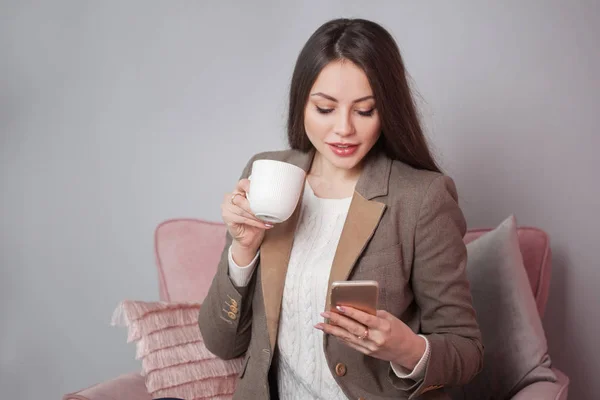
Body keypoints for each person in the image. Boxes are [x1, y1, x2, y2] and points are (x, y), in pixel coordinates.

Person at [195, 18, 483, 400]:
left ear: (388, 110)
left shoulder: (421, 197)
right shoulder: (268, 174)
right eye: (325, 108)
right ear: (302, 103)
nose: (344, 129)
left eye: (364, 111)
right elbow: (222, 344)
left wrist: (406, 348)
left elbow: (466, 350)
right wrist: (242, 251)